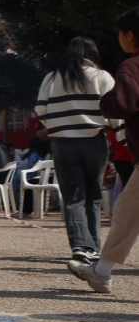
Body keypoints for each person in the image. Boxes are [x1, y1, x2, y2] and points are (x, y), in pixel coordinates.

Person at [70, 9, 139, 294]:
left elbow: (122, 104)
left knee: (126, 212)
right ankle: (101, 271)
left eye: (120, 33)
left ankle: (101, 272)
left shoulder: (132, 66)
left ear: (130, 35)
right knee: (127, 211)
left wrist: (107, 98)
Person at [35, 36, 114, 261]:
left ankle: (80, 245)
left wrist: (57, 126)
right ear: (92, 54)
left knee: (73, 198)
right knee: (93, 196)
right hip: (95, 141)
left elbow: (40, 110)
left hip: (63, 143)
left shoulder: (52, 78)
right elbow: (114, 110)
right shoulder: (102, 76)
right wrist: (119, 135)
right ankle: (94, 247)